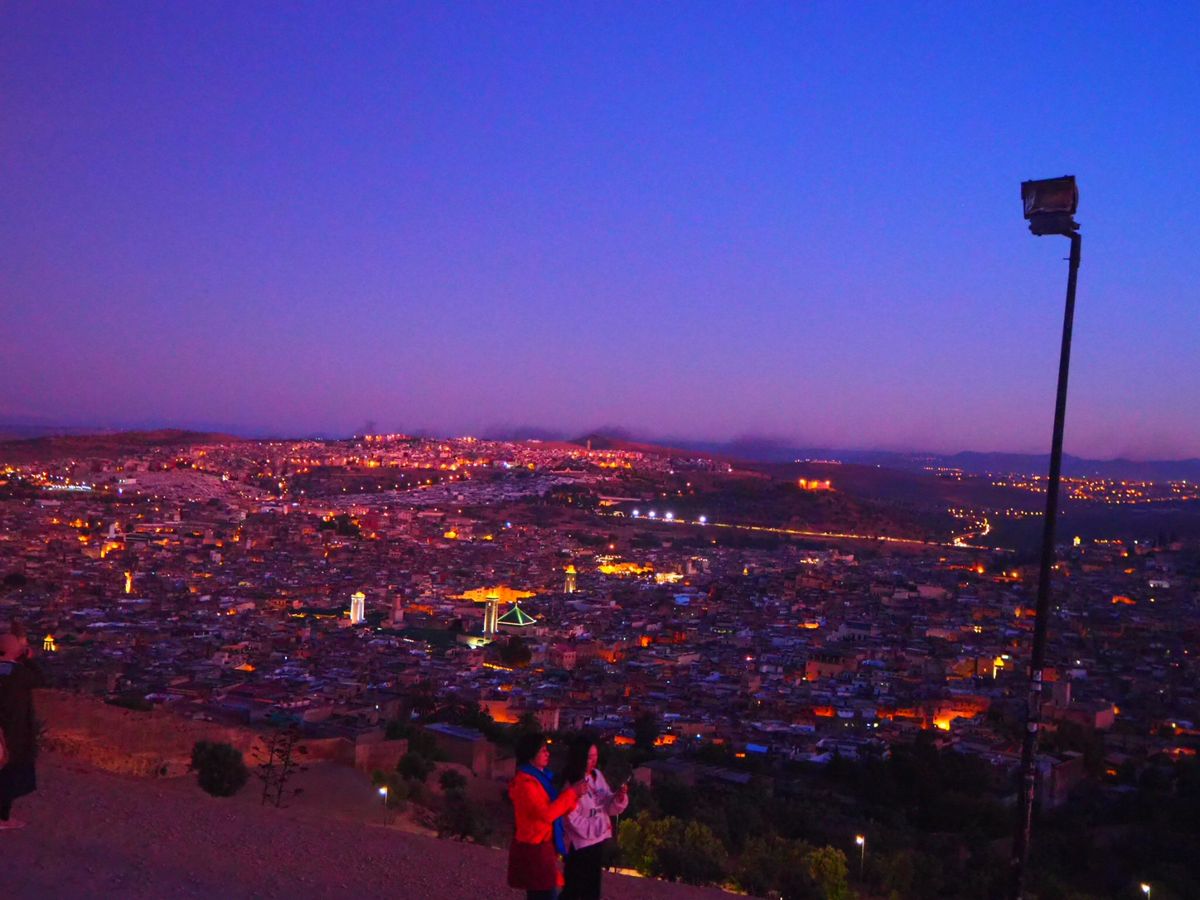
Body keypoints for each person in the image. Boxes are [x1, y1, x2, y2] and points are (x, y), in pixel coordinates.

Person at [508, 732, 584, 900]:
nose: (547, 753)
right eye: (543, 750)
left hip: (543, 849)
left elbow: (555, 808)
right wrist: (572, 794)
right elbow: (547, 814)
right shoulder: (526, 784)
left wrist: (573, 795)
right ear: (531, 755)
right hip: (534, 850)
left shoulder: (540, 780)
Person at [559, 736, 629, 900]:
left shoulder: (596, 776)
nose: (593, 760)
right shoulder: (572, 784)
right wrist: (597, 826)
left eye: (595, 756)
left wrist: (618, 798)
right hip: (579, 845)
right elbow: (571, 818)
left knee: (592, 888)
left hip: (597, 843)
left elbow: (605, 803)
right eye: (589, 757)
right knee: (576, 889)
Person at [0, 625, 43, 831]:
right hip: (12, 732)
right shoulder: (18, 674)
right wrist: (27, 658)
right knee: (8, 774)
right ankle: (2, 818)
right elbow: (41, 679)